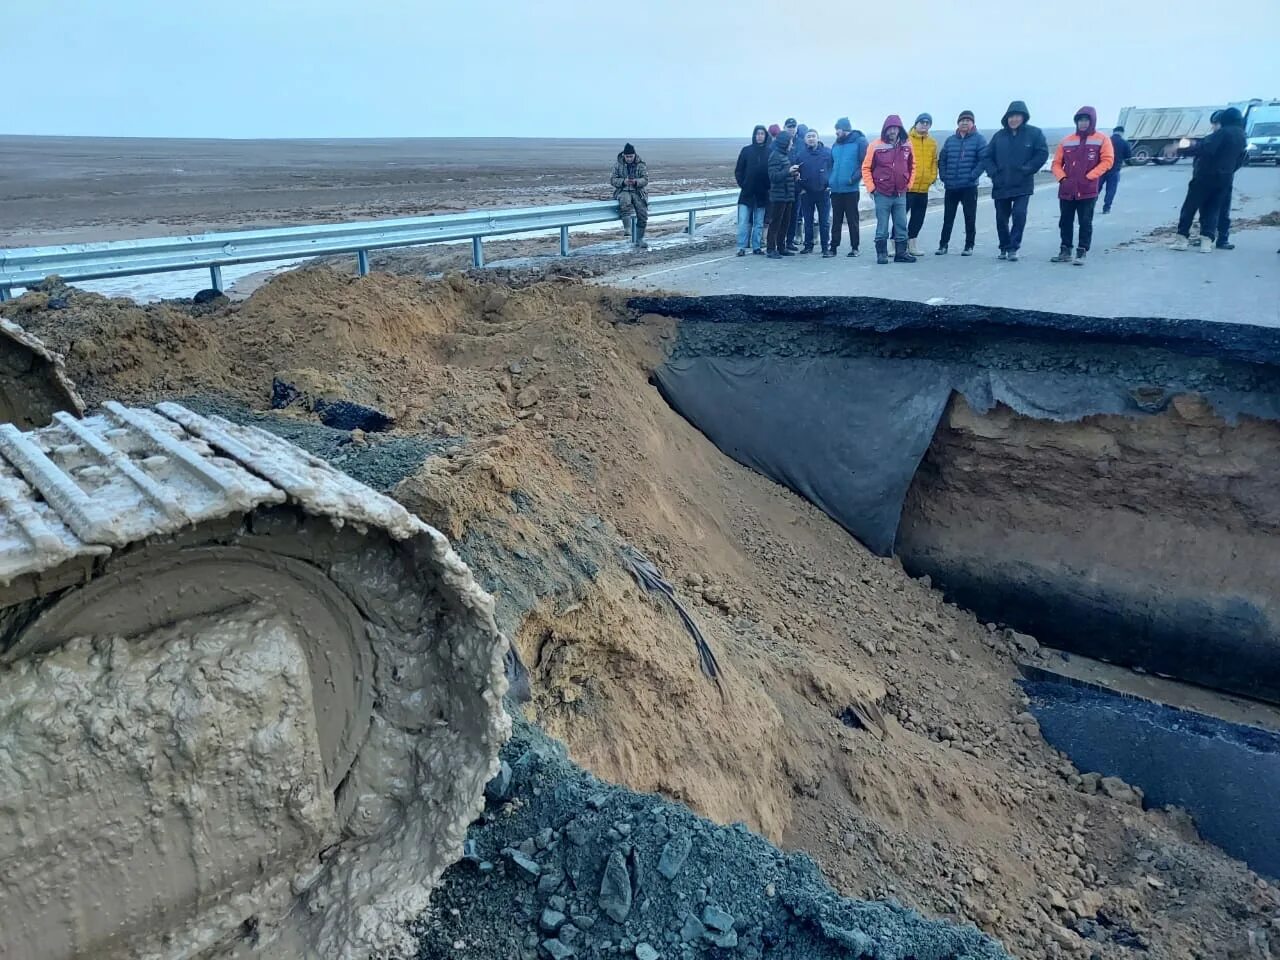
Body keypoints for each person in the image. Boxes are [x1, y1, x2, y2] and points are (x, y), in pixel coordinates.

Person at [1172, 107, 1247, 251]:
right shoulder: (1242, 136)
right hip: (1225, 179)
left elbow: (1204, 148)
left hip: (1205, 177)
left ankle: (1181, 240)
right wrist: (1228, 171)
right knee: (1214, 209)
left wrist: (1180, 149)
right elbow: (1241, 158)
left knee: (1190, 207)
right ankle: (1207, 242)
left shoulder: (1223, 133)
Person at [982, 100, 1049, 261]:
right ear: (1007, 118)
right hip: (1001, 183)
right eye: (1011, 116)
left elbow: (1042, 153)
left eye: (1017, 116)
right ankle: (1004, 246)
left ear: (1023, 117)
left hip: (1022, 183)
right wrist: (993, 173)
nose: (1014, 120)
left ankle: (1014, 247)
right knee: (1001, 218)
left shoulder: (1034, 134)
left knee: (1019, 215)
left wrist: (1028, 169)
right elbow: (986, 156)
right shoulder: (999, 136)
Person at [1049, 106, 1114, 266]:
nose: (1083, 123)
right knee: (1065, 221)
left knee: (1085, 221)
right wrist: (1062, 178)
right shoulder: (1066, 141)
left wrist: (1089, 176)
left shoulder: (1102, 139)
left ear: (1092, 121)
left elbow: (1107, 160)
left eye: (1086, 120)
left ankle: (1082, 250)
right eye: (1080, 120)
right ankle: (1065, 250)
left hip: (1088, 189)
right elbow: (1056, 163)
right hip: (1067, 189)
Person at [862, 114, 916, 264]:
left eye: (895, 128)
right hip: (882, 192)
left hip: (900, 192)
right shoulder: (875, 145)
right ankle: (881, 254)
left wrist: (909, 184)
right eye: (889, 128)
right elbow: (866, 168)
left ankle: (901, 253)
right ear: (885, 130)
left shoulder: (907, 145)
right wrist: (871, 188)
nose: (892, 131)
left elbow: (913, 166)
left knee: (901, 224)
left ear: (899, 129)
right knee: (882, 225)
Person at [935, 110, 986, 256]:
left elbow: (983, 160)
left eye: (967, 120)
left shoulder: (979, 139)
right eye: (962, 120)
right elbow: (942, 159)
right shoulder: (950, 140)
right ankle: (943, 245)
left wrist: (973, 175)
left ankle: (969, 245)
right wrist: (944, 176)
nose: (964, 123)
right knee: (948, 217)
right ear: (958, 123)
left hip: (969, 186)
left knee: (970, 217)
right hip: (951, 186)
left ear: (972, 123)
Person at [830, 118, 867, 257]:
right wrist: (830, 179)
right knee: (836, 220)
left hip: (851, 189)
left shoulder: (860, 142)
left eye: (837, 129)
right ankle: (833, 247)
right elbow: (831, 164)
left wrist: (853, 178)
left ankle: (855, 247)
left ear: (845, 129)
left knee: (852, 219)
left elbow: (865, 164)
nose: (836, 133)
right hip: (836, 189)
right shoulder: (836, 144)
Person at [905, 113, 938, 257]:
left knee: (918, 218)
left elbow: (934, 162)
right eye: (922, 122)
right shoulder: (906, 140)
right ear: (916, 123)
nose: (924, 125)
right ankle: (895, 244)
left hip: (923, 187)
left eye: (927, 122)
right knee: (900, 217)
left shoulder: (932, 142)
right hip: (908, 187)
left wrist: (932, 177)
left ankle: (912, 245)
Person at [797, 128, 834, 255]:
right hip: (806, 193)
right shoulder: (801, 155)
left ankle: (825, 247)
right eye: (808, 137)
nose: (811, 138)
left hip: (823, 192)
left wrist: (830, 184)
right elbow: (796, 173)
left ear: (818, 138)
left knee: (824, 221)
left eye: (813, 136)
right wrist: (800, 188)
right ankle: (808, 246)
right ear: (805, 140)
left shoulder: (827, 153)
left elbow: (833, 169)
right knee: (808, 221)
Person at [735, 125, 771, 256]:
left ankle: (757, 246)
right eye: (758, 134)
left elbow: (771, 172)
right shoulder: (746, 151)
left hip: (762, 194)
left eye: (762, 134)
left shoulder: (769, 152)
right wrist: (744, 184)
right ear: (754, 135)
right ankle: (741, 247)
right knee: (743, 222)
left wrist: (768, 187)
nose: (760, 136)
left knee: (759, 223)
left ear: (765, 136)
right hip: (747, 194)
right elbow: (739, 170)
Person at [766, 131, 800, 258]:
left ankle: (781, 247)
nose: (792, 143)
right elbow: (773, 176)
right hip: (778, 196)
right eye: (790, 141)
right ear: (785, 142)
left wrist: (793, 174)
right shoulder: (775, 156)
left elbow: (784, 174)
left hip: (787, 194)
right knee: (776, 222)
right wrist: (788, 171)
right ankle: (770, 249)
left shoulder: (784, 155)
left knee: (785, 222)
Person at [610, 143, 649, 248]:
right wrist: (623, 181)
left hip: (637, 191)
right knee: (625, 201)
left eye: (631, 156)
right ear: (624, 155)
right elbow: (612, 180)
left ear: (634, 155)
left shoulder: (641, 165)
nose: (629, 158)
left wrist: (636, 182)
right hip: (623, 190)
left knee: (643, 214)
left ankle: (639, 239)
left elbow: (645, 179)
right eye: (627, 156)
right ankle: (627, 228)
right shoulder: (618, 165)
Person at [1100, 125, 1131, 213]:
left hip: (1102, 168)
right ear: (1122, 133)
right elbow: (1128, 156)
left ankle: (1090, 206)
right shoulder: (1124, 143)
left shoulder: (1105, 141)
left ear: (1113, 132)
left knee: (1096, 188)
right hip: (1115, 169)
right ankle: (1106, 208)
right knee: (1111, 189)